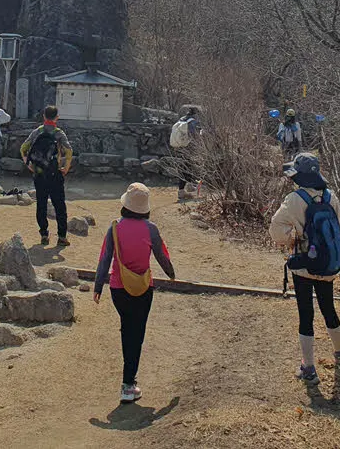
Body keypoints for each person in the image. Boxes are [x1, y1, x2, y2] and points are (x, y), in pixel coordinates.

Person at [93, 183, 176, 404]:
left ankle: (128, 382)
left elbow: (104, 259)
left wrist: (97, 287)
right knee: (136, 334)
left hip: (118, 288)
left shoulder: (114, 228)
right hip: (143, 287)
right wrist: (171, 274)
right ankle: (128, 384)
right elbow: (162, 257)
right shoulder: (151, 229)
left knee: (127, 328)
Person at [269, 153, 340, 385]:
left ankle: (309, 368)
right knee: (328, 307)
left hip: (303, 264)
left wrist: (291, 240)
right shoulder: (330, 196)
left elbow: (276, 230)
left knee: (306, 314)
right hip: (327, 263)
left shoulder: (294, 199)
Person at [19, 104, 73, 246]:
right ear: (57, 117)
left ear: (43, 116)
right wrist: (65, 167)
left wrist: (29, 165)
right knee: (59, 205)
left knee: (41, 205)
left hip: (39, 174)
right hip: (55, 174)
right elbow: (69, 151)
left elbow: (23, 148)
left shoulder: (37, 131)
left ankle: (44, 234)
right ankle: (62, 237)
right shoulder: (59, 133)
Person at [169, 106, 203, 201]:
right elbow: (194, 136)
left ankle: (185, 189)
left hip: (180, 147)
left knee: (184, 168)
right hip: (188, 148)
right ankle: (184, 190)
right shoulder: (192, 122)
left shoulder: (182, 119)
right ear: (196, 114)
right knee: (188, 168)